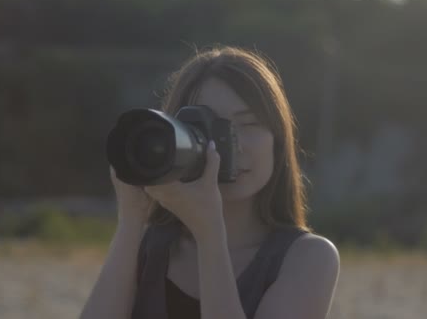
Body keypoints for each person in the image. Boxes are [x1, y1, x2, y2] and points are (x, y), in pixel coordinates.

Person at [80, 46, 340, 319]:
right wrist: (131, 220)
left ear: (278, 139)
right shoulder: (148, 249)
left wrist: (210, 233)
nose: (231, 147)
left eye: (249, 123)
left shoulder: (308, 258)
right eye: (210, 127)